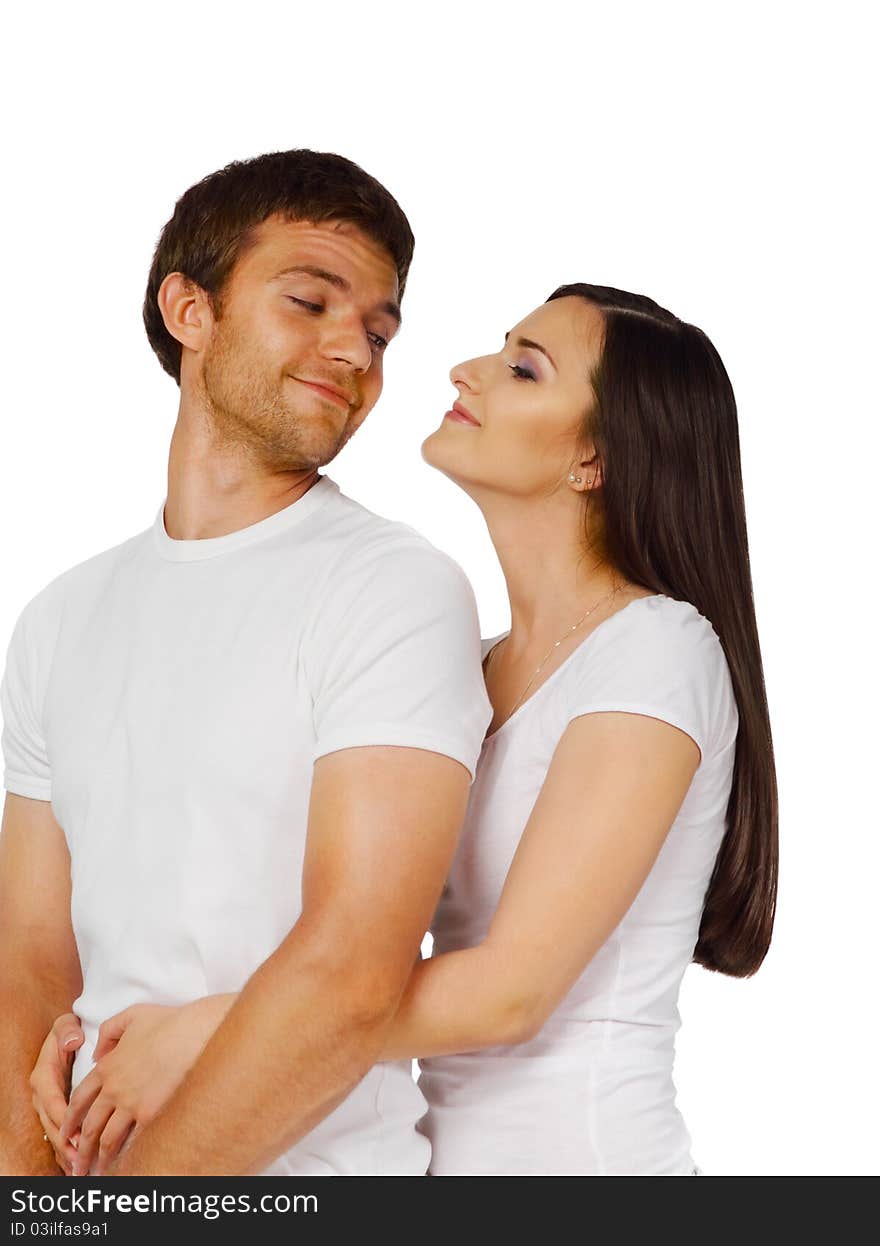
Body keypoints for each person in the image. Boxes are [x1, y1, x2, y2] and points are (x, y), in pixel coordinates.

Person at [31, 283, 778, 1176]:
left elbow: (511, 992)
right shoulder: (471, 663)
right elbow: (344, 930)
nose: (466, 370)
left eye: (522, 368)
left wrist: (208, 1035)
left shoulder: (658, 651)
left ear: (594, 458)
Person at [0, 148, 493, 1177]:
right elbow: (32, 960)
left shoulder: (394, 588)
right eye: (310, 300)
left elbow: (351, 974)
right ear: (190, 310)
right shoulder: (60, 616)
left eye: (378, 329)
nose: (352, 348)